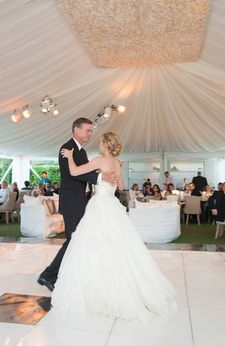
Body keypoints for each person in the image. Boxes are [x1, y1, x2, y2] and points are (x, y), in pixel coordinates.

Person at [51, 132, 175, 324]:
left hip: (99, 205)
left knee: (92, 244)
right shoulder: (117, 163)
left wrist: (69, 158)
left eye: (100, 141)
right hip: (111, 205)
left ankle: (97, 289)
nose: (98, 143)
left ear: (105, 144)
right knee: (118, 245)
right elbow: (121, 187)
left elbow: (75, 172)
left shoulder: (99, 160)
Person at [38, 118, 114, 292]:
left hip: (80, 201)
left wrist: (101, 171)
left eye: (91, 130)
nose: (90, 133)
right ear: (76, 130)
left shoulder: (82, 151)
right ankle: (49, 275)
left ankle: (58, 274)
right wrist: (100, 177)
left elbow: (84, 171)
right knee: (74, 239)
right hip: (71, 201)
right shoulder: (67, 149)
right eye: (87, 130)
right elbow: (74, 174)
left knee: (76, 239)